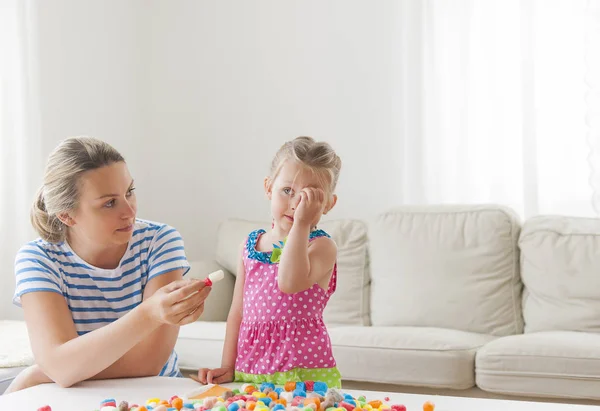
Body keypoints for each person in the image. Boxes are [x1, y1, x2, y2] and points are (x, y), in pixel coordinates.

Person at [5, 137, 209, 394]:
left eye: (130, 192)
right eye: (109, 203)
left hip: (154, 395)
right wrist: (149, 313)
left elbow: (149, 363)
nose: (129, 211)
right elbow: (59, 366)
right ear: (67, 215)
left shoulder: (160, 241)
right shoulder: (37, 259)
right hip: (73, 397)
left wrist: (44, 373)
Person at [198, 136, 343, 387]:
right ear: (268, 188)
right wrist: (228, 366)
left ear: (328, 204)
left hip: (303, 374)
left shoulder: (321, 246)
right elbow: (238, 311)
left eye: (308, 198)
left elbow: (289, 281)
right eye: (288, 191)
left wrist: (302, 223)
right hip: (252, 368)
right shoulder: (250, 245)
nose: (296, 204)